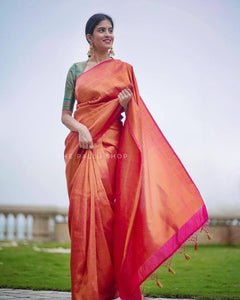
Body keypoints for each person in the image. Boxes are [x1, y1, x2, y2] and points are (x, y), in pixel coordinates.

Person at [62, 13, 209, 300]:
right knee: (81, 215)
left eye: (111, 30)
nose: (108, 34)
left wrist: (123, 105)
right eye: (101, 30)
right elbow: (65, 115)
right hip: (79, 147)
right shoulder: (75, 70)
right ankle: (86, 290)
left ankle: (103, 289)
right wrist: (80, 128)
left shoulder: (124, 69)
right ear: (89, 37)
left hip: (110, 146)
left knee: (104, 215)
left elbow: (136, 117)